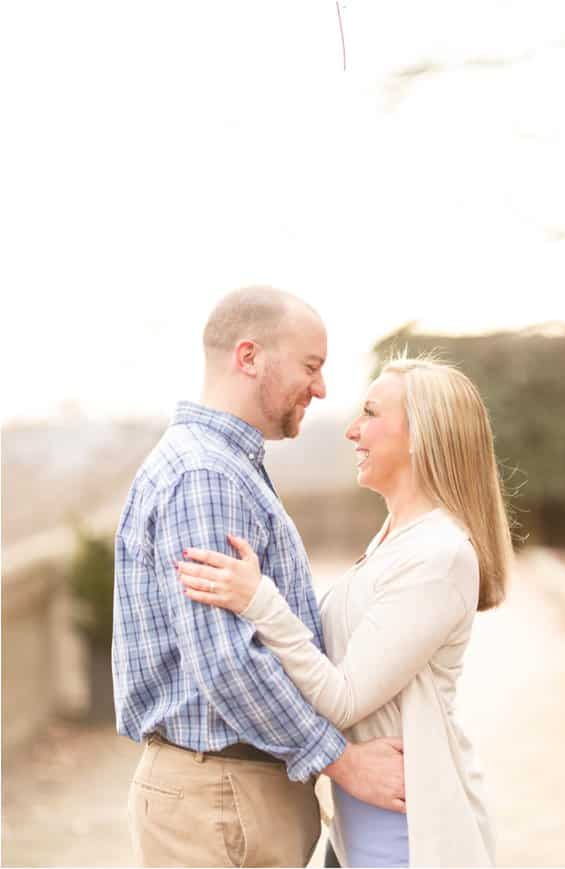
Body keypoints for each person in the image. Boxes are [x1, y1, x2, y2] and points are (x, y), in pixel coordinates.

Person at [176, 355, 512, 867]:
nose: (353, 431)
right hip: (359, 830)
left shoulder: (439, 555)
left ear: (422, 435)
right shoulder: (395, 539)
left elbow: (345, 697)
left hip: (406, 836)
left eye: (371, 414)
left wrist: (259, 600)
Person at [113, 286, 407, 867]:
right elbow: (226, 661)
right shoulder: (206, 476)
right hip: (218, 797)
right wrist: (341, 761)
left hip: (232, 794)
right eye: (311, 366)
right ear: (249, 357)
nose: (321, 388)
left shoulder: (224, 467)